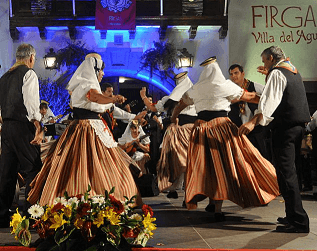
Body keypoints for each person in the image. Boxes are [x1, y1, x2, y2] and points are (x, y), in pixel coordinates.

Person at [171, 57, 280, 222]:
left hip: (200, 128)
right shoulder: (225, 85)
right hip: (221, 127)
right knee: (225, 164)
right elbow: (250, 96)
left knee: (206, 166)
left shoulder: (196, 89)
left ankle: (210, 201)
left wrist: (173, 118)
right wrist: (267, 104)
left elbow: (179, 106)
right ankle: (218, 208)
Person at [28, 53, 142, 206]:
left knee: (97, 163)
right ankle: (88, 199)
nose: (103, 73)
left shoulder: (87, 85)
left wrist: (132, 115)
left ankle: (97, 199)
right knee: (87, 163)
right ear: (94, 69)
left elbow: (110, 108)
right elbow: (94, 97)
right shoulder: (86, 84)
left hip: (91, 127)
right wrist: (113, 98)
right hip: (87, 128)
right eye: (101, 70)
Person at [239, 46, 310, 233]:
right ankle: (292, 215)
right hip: (296, 128)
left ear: (271, 58)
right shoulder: (292, 70)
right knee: (289, 173)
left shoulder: (278, 74)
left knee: (286, 174)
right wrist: (269, 74)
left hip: (285, 129)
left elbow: (269, 104)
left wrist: (253, 122)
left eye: (264, 61)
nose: (263, 65)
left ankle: (299, 221)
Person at [0, 44, 43, 227]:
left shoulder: (4, 77)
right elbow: (31, 103)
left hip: (6, 126)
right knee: (33, 167)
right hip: (22, 125)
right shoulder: (28, 73)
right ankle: (31, 213)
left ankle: (1, 214)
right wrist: (37, 125)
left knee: (7, 172)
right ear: (31, 57)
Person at [141, 72, 197, 199]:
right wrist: (144, 97)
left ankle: (183, 191)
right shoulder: (171, 99)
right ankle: (175, 188)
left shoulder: (192, 95)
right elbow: (155, 108)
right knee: (179, 161)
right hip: (182, 130)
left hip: (187, 130)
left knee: (185, 161)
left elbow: (155, 108)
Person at [228, 64, 271, 161]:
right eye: (231, 74)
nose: (234, 76)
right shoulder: (231, 91)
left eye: (236, 73)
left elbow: (267, 98)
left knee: (261, 157)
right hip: (240, 128)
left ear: (243, 73)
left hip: (255, 127)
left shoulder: (254, 86)